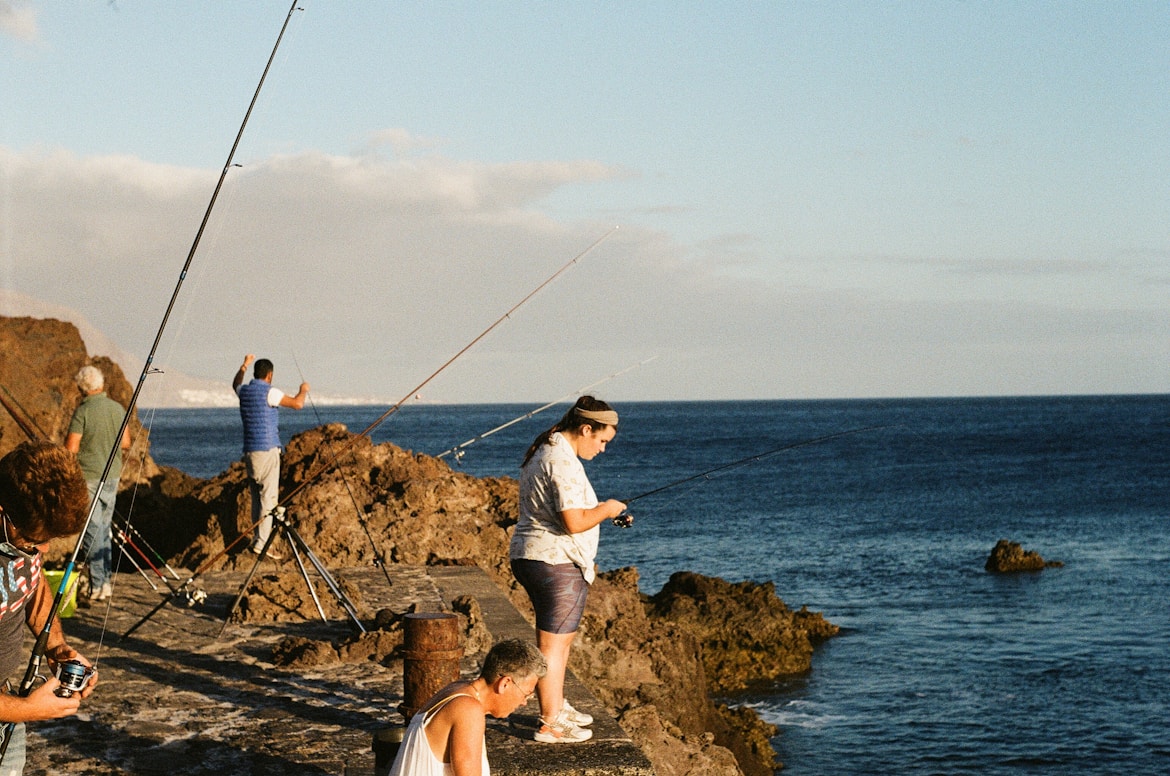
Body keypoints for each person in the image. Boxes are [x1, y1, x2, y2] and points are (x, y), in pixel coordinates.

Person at [507, 396, 627, 743]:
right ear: (586, 429)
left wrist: (606, 511)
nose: (603, 449)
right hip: (554, 561)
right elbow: (574, 521)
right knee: (553, 647)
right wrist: (607, 509)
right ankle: (550, 723)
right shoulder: (560, 459)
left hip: (539, 556)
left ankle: (555, 706)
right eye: (602, 440)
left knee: (557, 643)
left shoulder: (546, 449)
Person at [0, 442, 99, 776]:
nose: (42, 548)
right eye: (33, 539)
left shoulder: (22, 537)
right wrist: (29, 709)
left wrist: (56, 646)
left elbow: (32, 584)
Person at [388, 638, 546, 776]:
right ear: (505, 683)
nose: (524, 702)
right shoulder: (468, 709)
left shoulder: (458, 689)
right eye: (526, 694)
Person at [64, 365, 131, 603]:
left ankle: (99, 584)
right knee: (103, 527)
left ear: (82, 387)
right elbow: (125, 443)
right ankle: (105, 583)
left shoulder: (82, 411)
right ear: (100, 384)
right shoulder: (117, 408)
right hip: (112, 475)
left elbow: (71, 449)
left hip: (88, 476)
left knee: (92, 530)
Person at [232, 355, 309, 559]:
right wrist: (303, 390)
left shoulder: (245, 391)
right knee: (268, 498)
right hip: (267, 450)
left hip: (249, 452)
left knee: (257, 498)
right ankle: (262, 544)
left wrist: (244, 365)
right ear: (269, 375)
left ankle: (259, 538)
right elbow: (297, 404)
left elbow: (236, 383)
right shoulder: (270, 392)